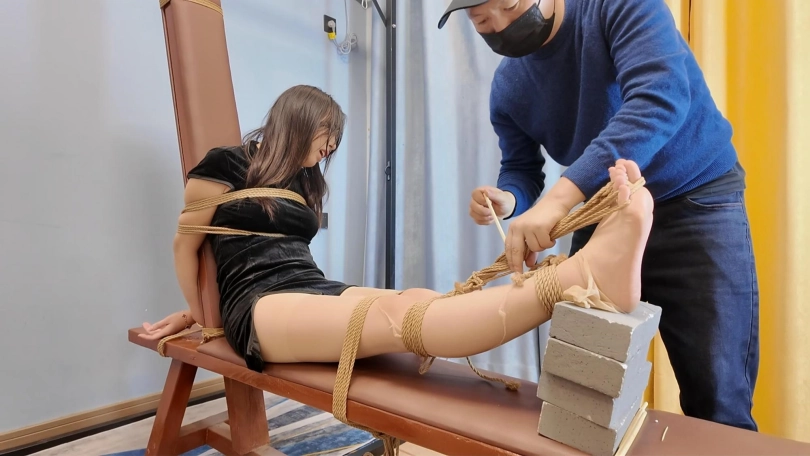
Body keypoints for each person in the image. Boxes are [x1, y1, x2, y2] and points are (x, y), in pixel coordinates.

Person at [140, 84, 654, 379]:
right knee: (397, 319)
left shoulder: (303, 182)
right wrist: (202, 318)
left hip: (309, 286)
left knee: (417, 298)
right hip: (257, 304)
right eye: (327, 136)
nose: (330, 149)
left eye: (334, 141)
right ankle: (576, 279)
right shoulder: (225, 165)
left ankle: (583, 276)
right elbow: (187, 247)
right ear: (299, 120)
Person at [438, 0, 759, 431]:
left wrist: (558, 201)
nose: (498, 25)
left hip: (694, 202)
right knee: (582, 390)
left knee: (717, 402)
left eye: (509, 5)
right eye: (479, 20)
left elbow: (659, 97)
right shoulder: (508, 88)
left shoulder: (619, 7)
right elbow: (521, 168)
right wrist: (509, 199)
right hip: (602, 214)